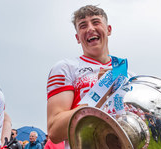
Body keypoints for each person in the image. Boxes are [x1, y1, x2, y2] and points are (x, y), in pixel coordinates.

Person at [47, 5, 117, 148]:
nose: (90, 28)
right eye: (83, 26)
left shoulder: (127, 74)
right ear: (78, 37)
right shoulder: (66, 68)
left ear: (108, 29)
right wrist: (99, 92)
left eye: (96, 22)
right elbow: (54, 131)